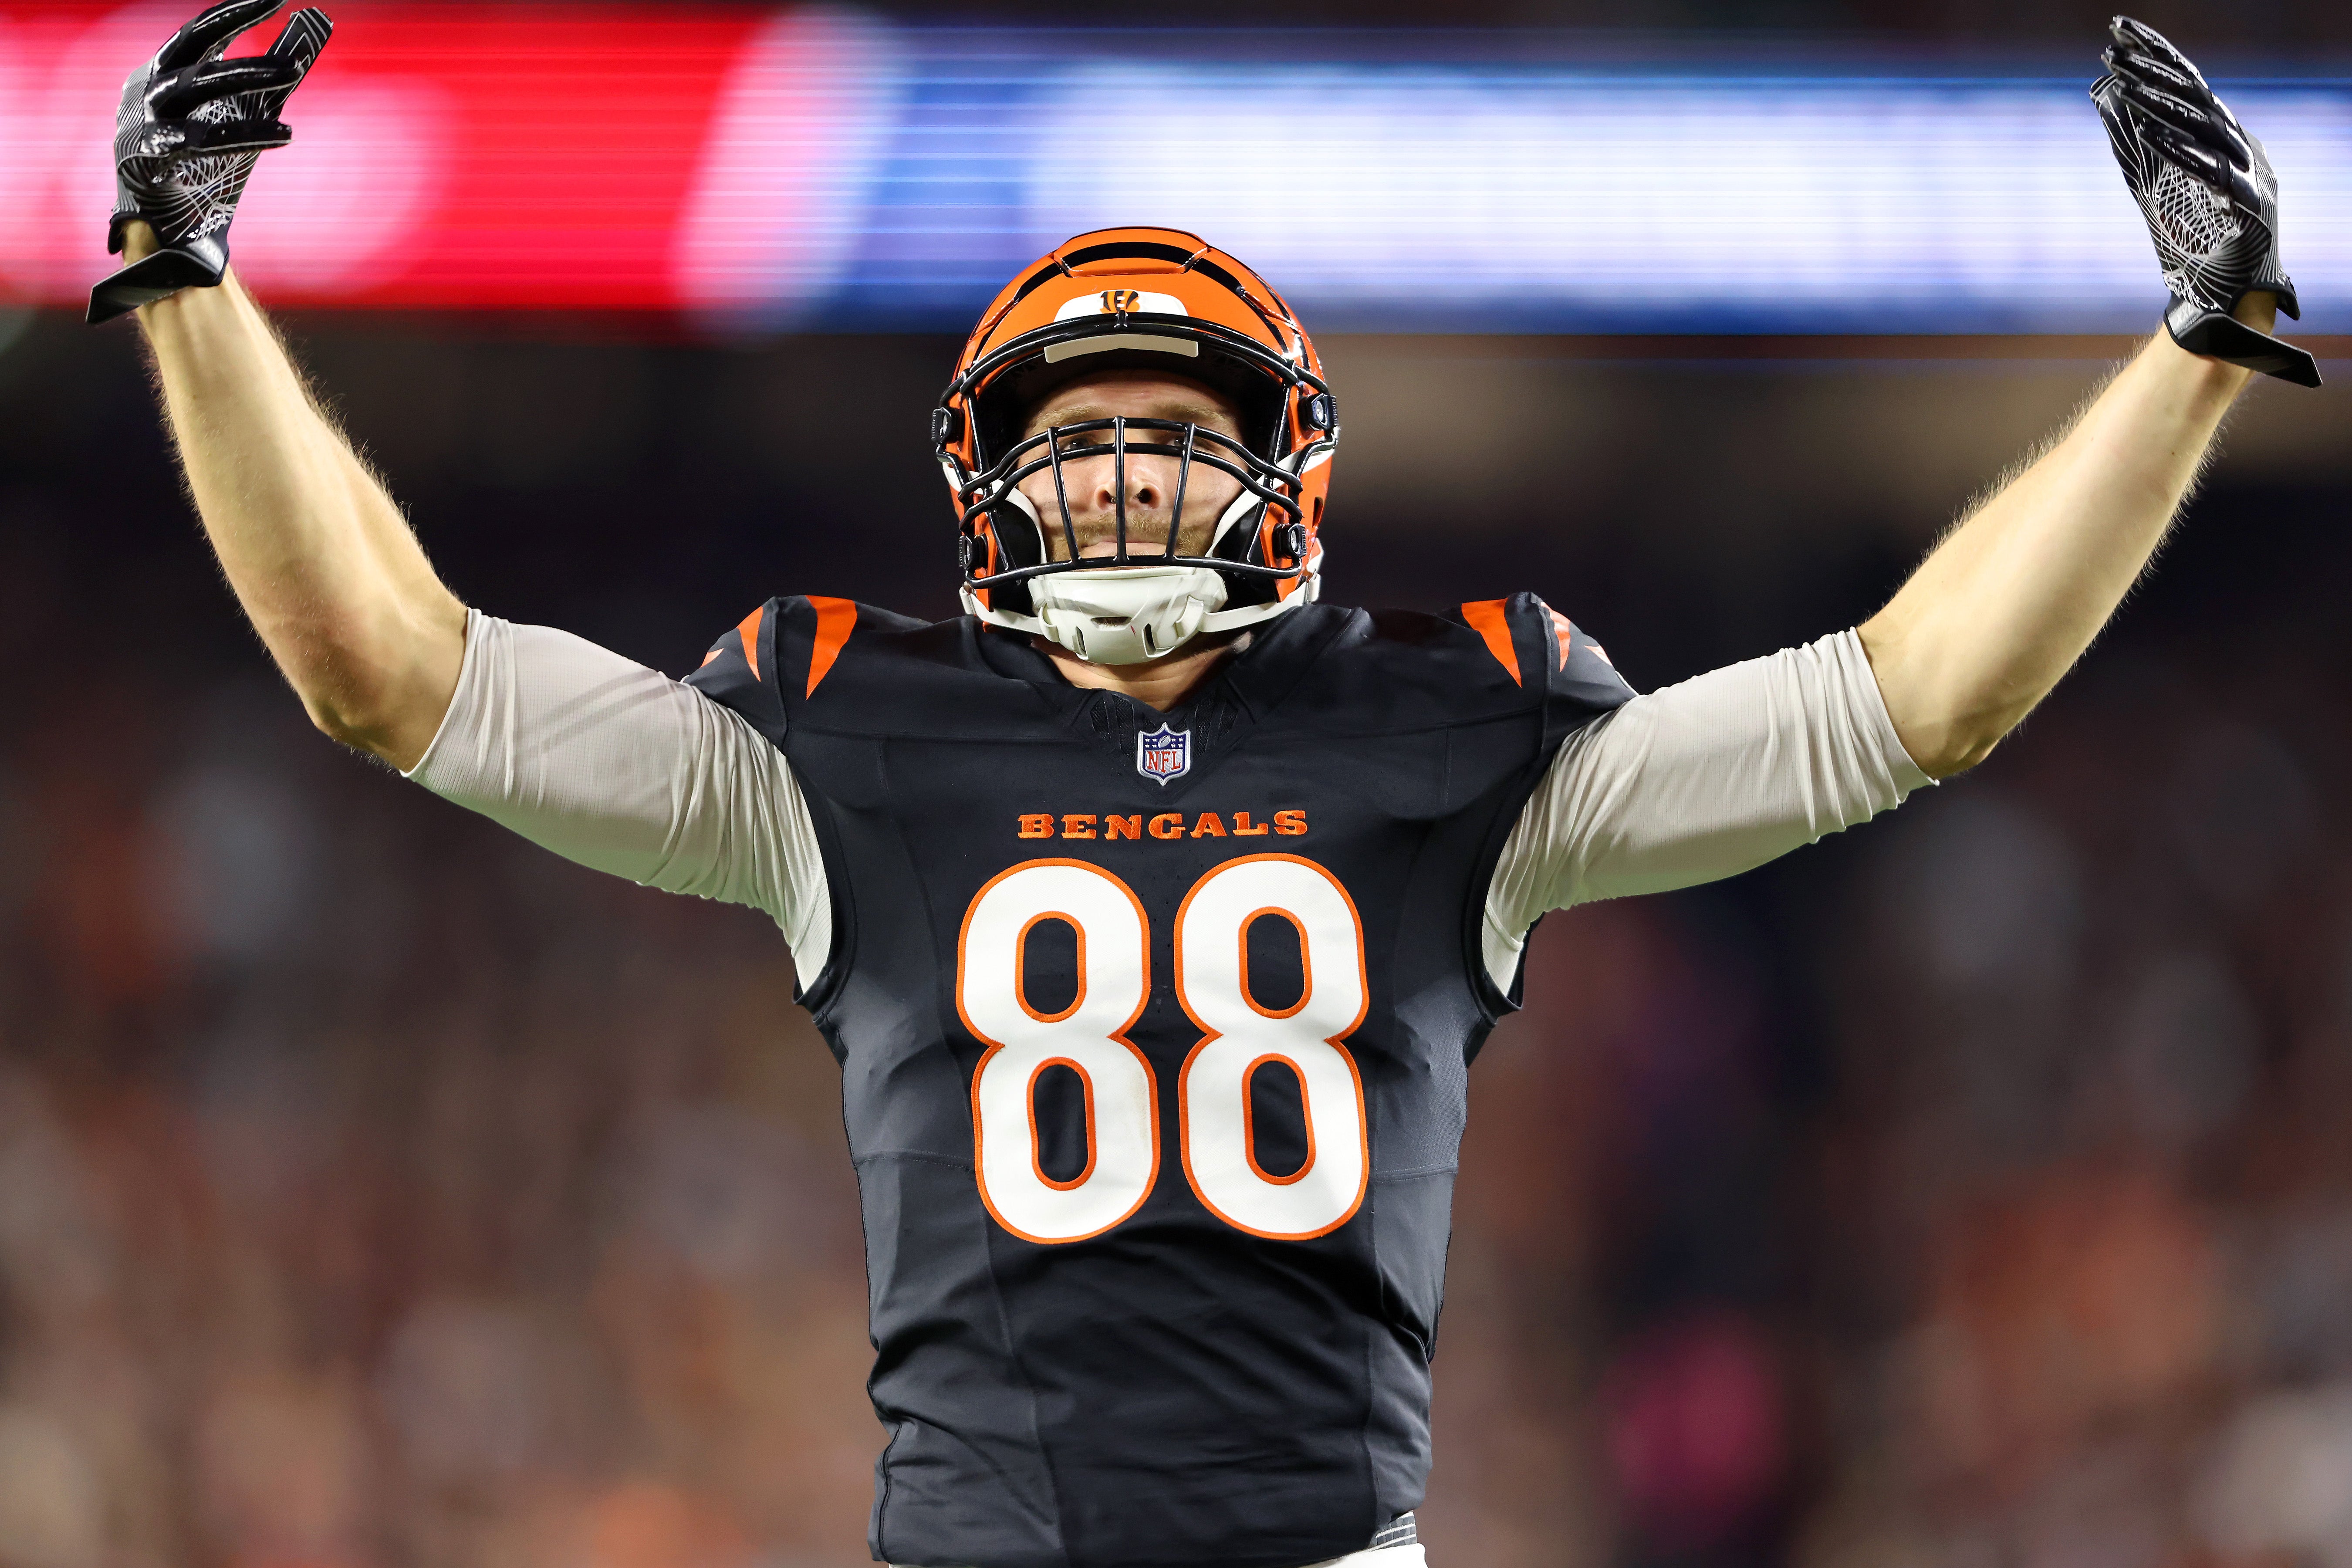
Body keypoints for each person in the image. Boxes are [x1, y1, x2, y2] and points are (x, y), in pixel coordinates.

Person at [91, 5, 2318, 1566]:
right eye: (1080, 436)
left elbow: (1911, 701)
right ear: (991, 488)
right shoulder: (841, 737)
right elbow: (391, 676)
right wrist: (189, 280)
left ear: (1291, 478)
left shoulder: (1456, 731)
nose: (1132, 468)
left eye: (1180, 428)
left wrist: (2191, 354)